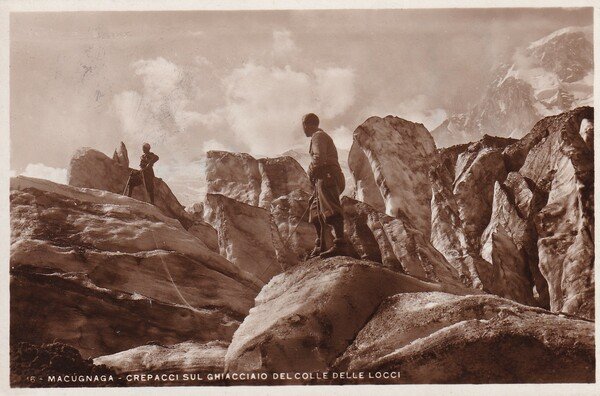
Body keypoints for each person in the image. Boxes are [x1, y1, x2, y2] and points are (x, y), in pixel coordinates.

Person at [303, 113, 351, 258]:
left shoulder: (318, 136)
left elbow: (320, 157)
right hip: (322, 178)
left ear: (307, 124)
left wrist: (310, 171)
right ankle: (321, 245)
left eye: (303, 126)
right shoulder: (318, 137)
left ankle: (340, 244)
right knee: (315, 211)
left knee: (331, 208)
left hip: (327, 175)